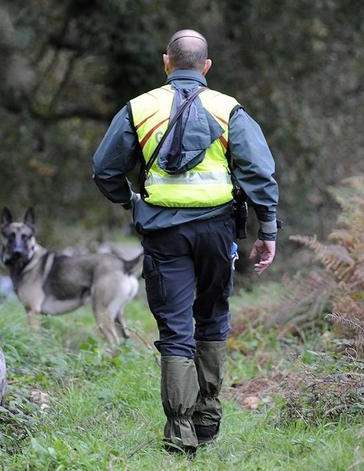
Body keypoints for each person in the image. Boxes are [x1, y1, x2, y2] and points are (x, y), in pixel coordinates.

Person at [92, 29, 279, 455]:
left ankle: (180, 433)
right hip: (217, 232)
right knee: (212, 316)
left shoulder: (139, 108)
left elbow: (104, 170)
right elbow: (259, 173)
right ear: (206, 67)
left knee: (176, 329)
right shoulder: (228, 110)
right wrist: (267, 229)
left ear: (166, 63)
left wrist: (133, 202)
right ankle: (208, 420)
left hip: (163, 234)